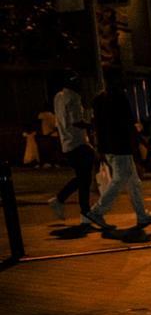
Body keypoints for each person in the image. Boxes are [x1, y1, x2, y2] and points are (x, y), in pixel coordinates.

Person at [85, 69, 151, 230]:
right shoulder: (119, 97)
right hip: (121, 145)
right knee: (121, 179)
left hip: (109, 146)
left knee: (133, 182)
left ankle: (141, 215)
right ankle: (97, 211)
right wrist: (143, 144)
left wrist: (99, 147)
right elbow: (129, 124)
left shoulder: (98, 100)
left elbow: (96, 125)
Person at [48, 71, 96, 224]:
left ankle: (82, 210)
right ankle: (71, 204)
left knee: (82, 178)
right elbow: (76, 121)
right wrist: (93, 125)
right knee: (84, 178)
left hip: (67, 143)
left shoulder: (58, 97)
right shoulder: (74, 97)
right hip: (77, 141)